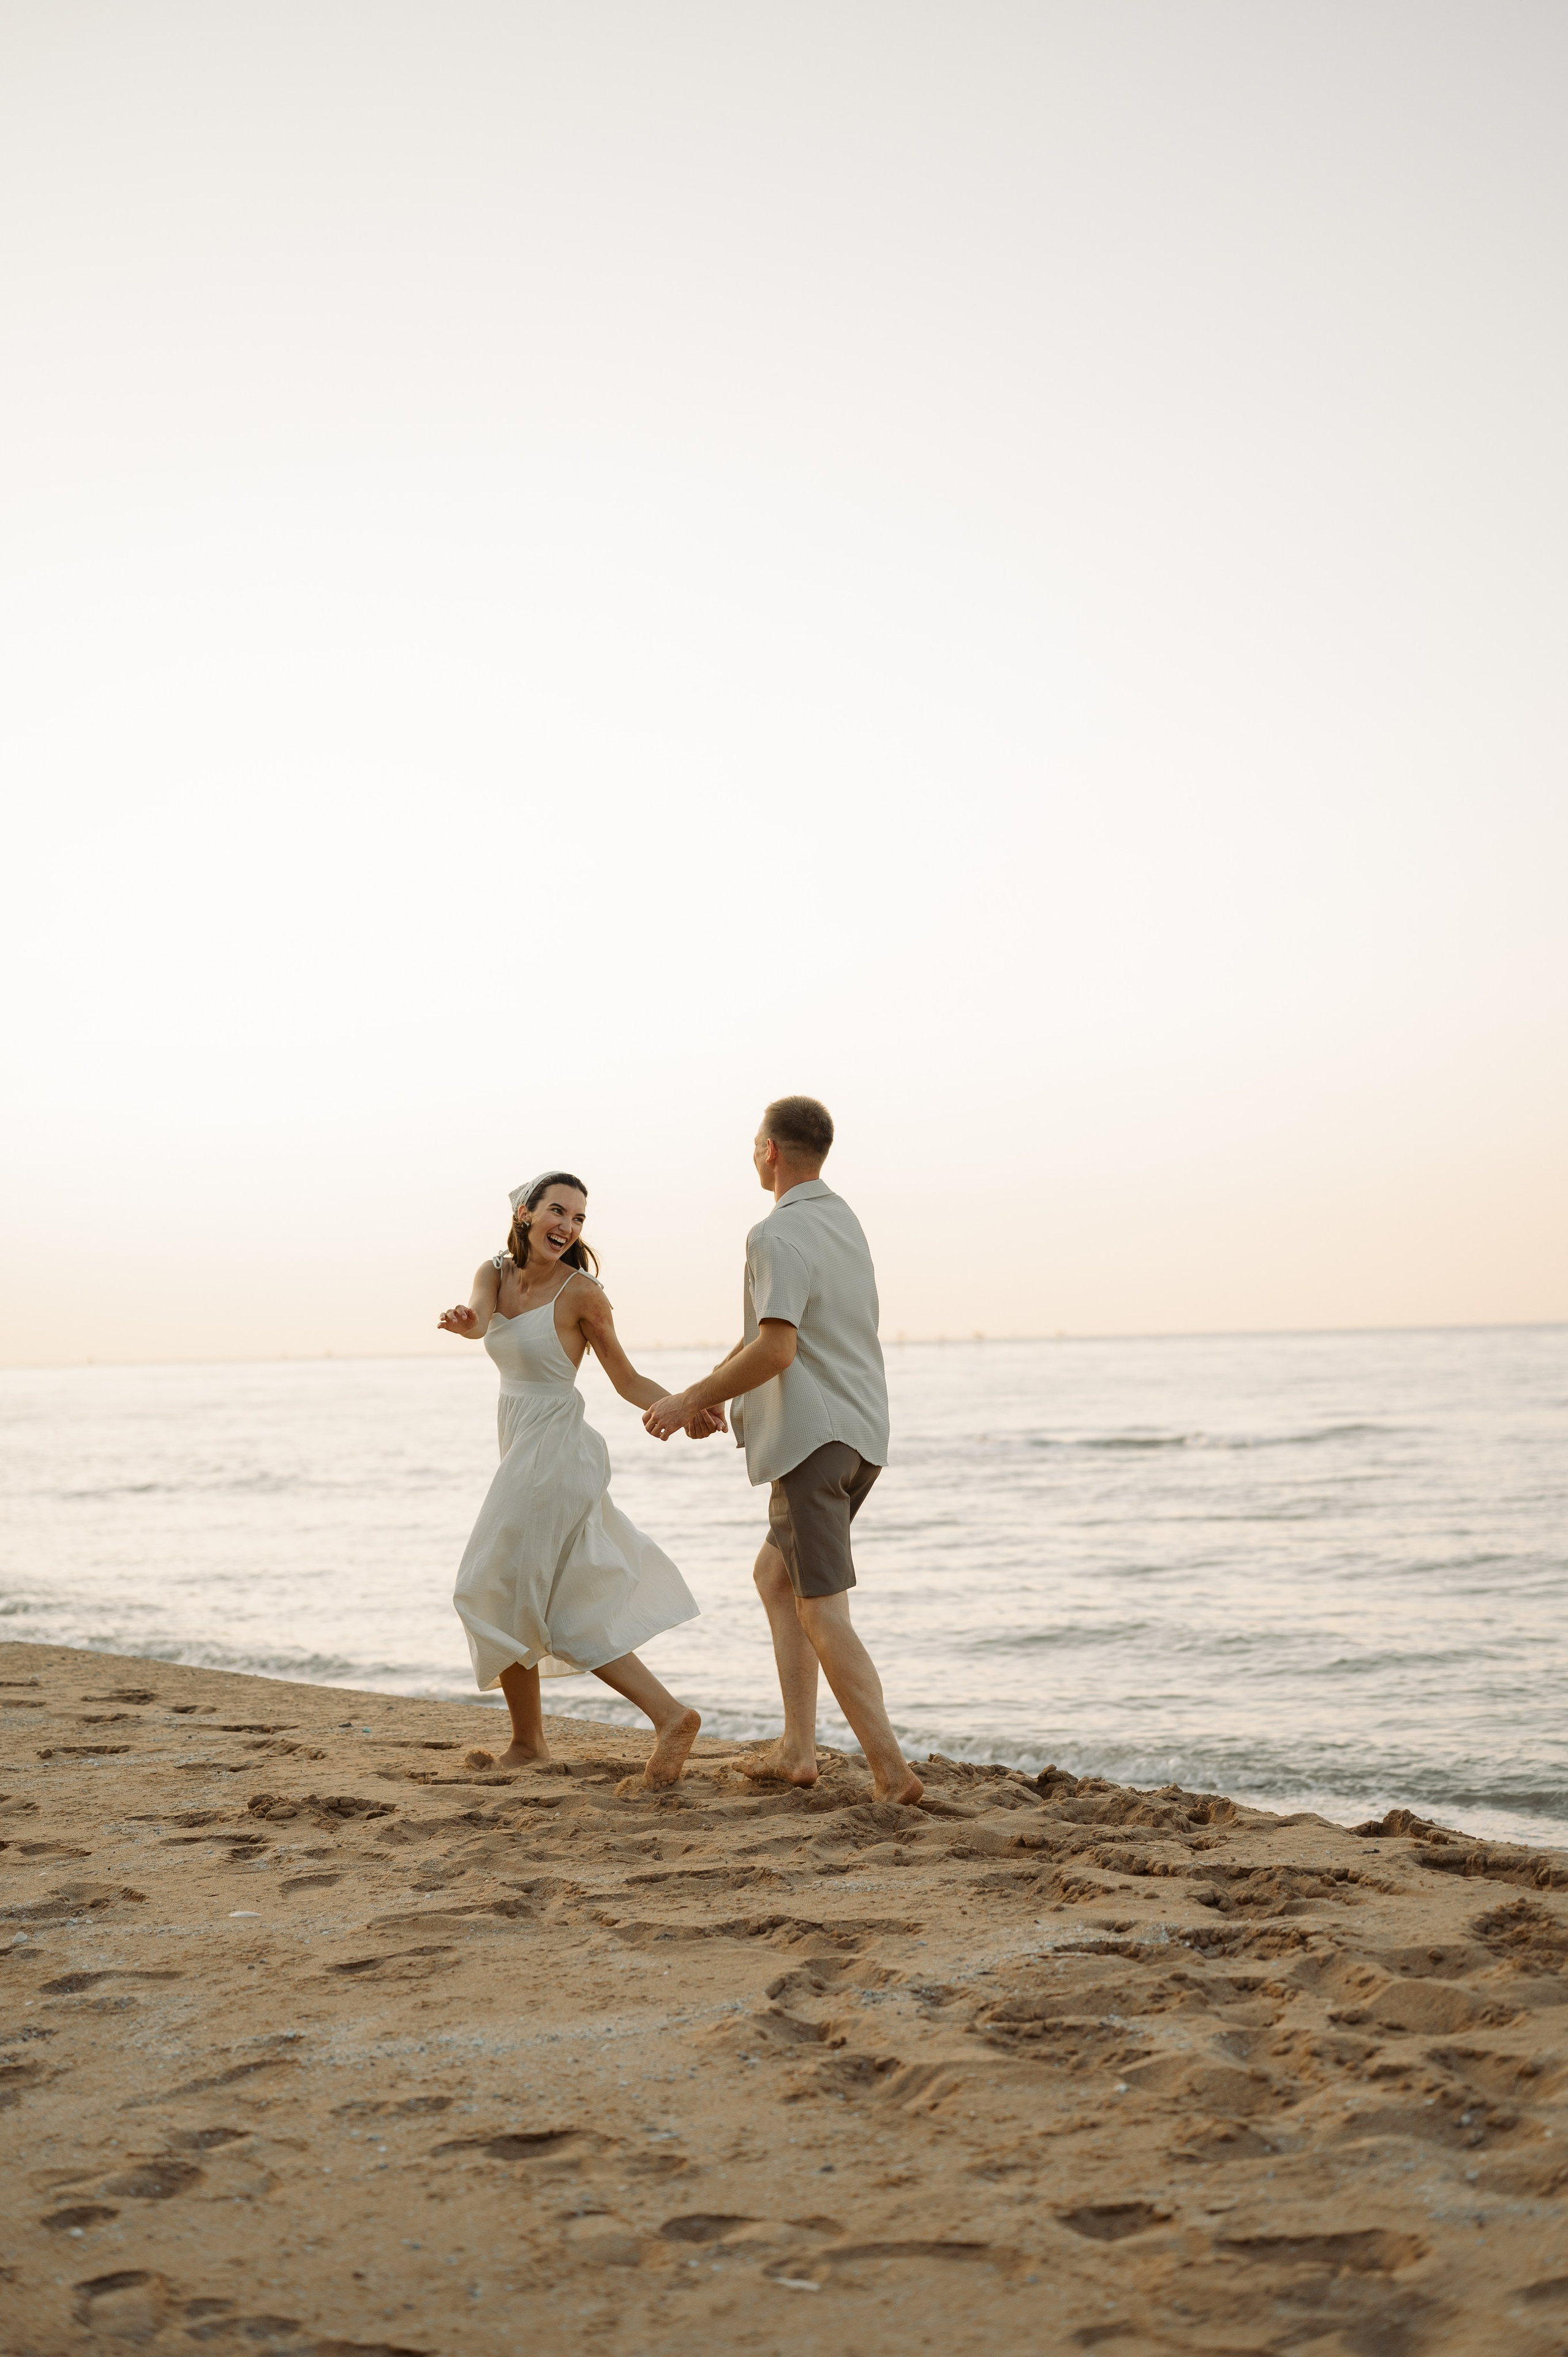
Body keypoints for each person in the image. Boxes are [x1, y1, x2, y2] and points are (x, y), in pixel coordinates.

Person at [643, 1099, 922, 1806]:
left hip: (813, 1441)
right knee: (776, 1575)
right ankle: (797, 1749)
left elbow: (778, 1345)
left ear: (768, 1149)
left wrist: (684, 1402)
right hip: (862, 1436)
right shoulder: (841, 1220)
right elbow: (778, 1332)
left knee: (822, 1609)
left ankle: (892, 1773)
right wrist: (709, 1390)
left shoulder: (775, 1233)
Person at [439, 1170, 715, 1787]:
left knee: (490, 1583)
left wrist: (688, 1401)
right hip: (520, 1447)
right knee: (520, 1590)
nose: (568, 1225)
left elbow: (624, 1378)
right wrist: (465, 1321)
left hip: (556, 1451)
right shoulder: (493, 1272)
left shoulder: (583, 1293)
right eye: (557, 1211)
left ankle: (667, 1716)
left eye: (580, 1217)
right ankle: (531, 1740)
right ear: (525, 1213)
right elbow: (482, 1319)